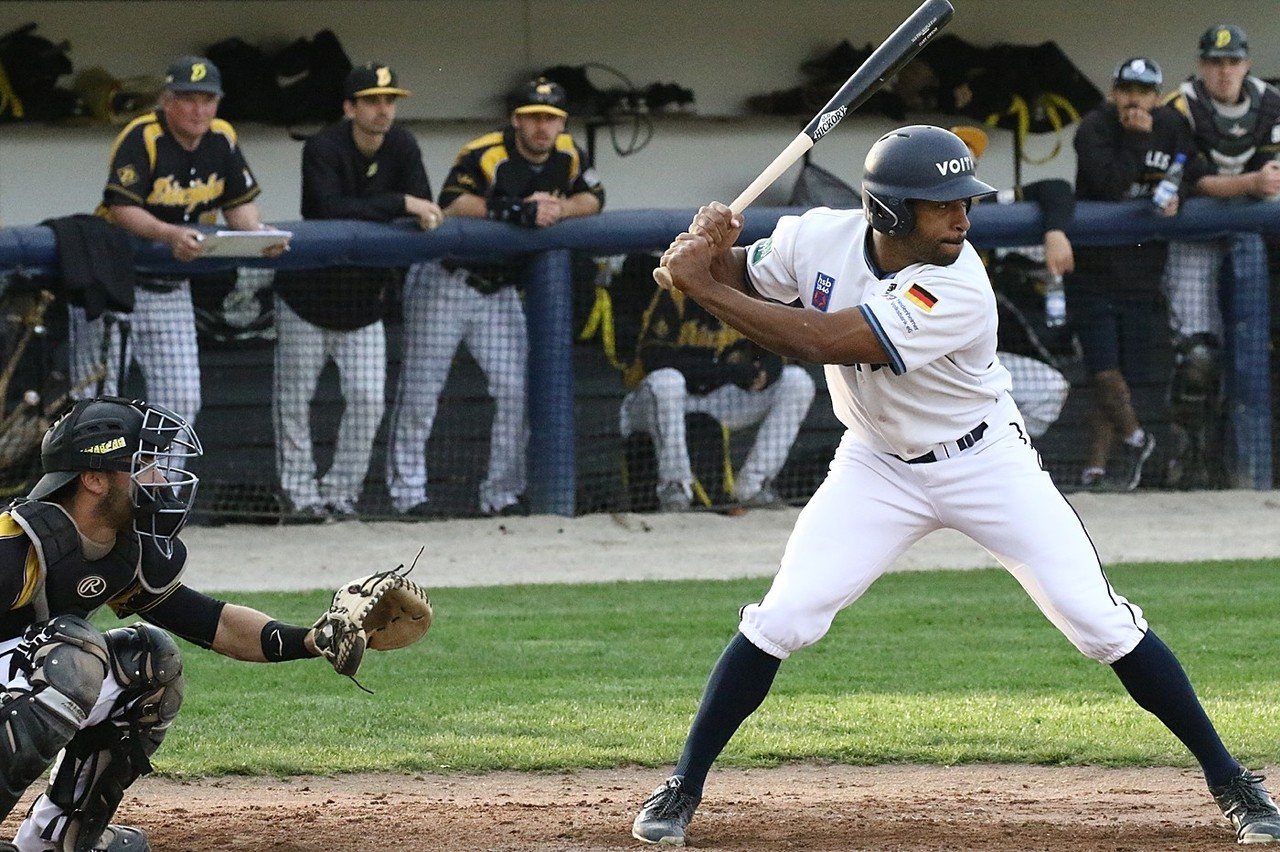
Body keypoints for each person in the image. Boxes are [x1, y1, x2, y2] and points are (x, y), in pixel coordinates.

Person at [628, 125, 1279, 847]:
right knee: (783, 618)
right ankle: (683, 786)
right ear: (891, 213)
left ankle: (1233, 784)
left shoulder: (959, 284)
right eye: (942, 205)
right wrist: (711, 254)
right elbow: (749, 279)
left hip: (983, 462)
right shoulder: (814, 237)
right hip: (875, 464)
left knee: (1098, 622)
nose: (962, 218)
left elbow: (816, 341)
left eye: (964, 201)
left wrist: (699, 284)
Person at [0, 397, 334, 852]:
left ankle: (56, 841)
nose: (160, 478)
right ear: (94, 478)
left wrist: (316, 639)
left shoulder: (124, 550)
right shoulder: (15, 548)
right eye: (145, 465)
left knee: (150, 664)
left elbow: (213, 623)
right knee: (68, 657)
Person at [385, 77, 604, 517]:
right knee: (422, 393)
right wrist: (519, 209)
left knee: (516, 390)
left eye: (551, 119)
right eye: (533, 118)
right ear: (516, 120)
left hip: (499, 290)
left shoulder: (568, 151)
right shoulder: (485, 151)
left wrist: (559, 209)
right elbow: (450, 203)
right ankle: (407, 495)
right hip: (448, 278)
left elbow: (594, 197)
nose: (543, 128)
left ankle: (500, 495)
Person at [71, 56, 284, 432]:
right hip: (112, 283)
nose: (198, 109)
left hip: (170, 287)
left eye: (207, 99)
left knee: (181, 401)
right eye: (187, 98)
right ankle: (92, 490)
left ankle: (159, 489)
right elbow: (122, 208)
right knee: (98, 405)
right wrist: (168, 234)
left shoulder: (222, 137)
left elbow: (239, 208)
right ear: (166, 100)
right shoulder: (143, 135)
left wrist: (258, 235)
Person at [271, 63, 441, 520]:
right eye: (372, 101)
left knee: (368, 401)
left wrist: (405, 206)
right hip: (306, 298)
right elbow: (327, 209)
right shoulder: (324, 145)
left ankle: (340, 494)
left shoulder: (403, 144)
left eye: (389, 100)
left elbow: (425, 203)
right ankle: (300, 496)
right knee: (294, 402)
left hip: (365, 302)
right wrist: (398, 204)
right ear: (350, 107)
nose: (383, 109)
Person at [1069, 58, 1204, 491]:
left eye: (1144, 91)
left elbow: (1191, 167)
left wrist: (1177, 194)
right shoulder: (1094, 127)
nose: (1134, 99)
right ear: (1113, 91)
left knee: (1122, 376)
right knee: (1103, 371)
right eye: (1127, 89)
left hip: (1145, 269)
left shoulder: (1172, 123)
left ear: (1157, 95)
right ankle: (1137, 438)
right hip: (1094, 267)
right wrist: (1134, 140)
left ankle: (1098, 466)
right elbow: (1110, 186)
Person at [1161, 25, 1280, 488]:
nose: (1224, 70)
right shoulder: (1181, 105)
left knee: (1256, 352)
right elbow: (1189, 179)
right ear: (1201, 65)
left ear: (1247, 64)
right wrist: (1247, 185)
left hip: (1260, 237)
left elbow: (1273, 173)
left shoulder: (1270, 101)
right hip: (1196, 234)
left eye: (1232, 62)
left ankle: (1247, 470)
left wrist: (1253, 185)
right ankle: (1190, 458)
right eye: (1215, 62)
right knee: (1199, 356)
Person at [620, 283, 815, 511]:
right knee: (668, 381)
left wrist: (761, 373)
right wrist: (732, 372)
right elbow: (655, 359)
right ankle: (675, 489)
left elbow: (774, 354)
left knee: (797, 381)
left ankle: (753, 486)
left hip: (718, 401)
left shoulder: (750, 291)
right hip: (653, 406)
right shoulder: (676, 290)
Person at [951, 124, 1073, 439]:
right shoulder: (911, 213)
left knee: (1049, 388)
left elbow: (1055, 188)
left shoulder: (986, 205)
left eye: (969, 164)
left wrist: (1055, 231)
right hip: (925, 356)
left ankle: (990, 456)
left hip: (977, 356)